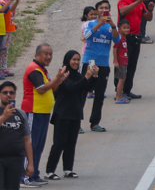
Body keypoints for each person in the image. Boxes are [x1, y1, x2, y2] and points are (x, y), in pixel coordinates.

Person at [43, 51, 93, 180]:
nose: (76, 62)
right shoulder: (63, 75)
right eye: (73, 59)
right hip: (62, 113)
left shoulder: (77, 75)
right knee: (59, 143)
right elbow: (72, 88)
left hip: (75, 113)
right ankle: (49, 171)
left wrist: (94, 76)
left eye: (78, 59)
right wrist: (86, 77)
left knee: (71, 142)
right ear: (67, 60)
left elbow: (86, 87)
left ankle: (68, 169)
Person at [21, 44, 67, 185]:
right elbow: (41, 89)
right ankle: (25, 177)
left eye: (50, 54)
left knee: (39, 145)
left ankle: (34, 174)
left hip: (42, 113)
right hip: (33, 112)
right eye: (45, 54)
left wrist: (58, 80)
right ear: (37, 55)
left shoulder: (42, 70)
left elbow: (51, 89)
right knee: (31, 145)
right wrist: (56, 79)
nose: (48, 57)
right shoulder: (33, 69)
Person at [81, 0, 117, 131]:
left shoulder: (110, 26)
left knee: (100, 95)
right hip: (90, 62)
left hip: (103, 64)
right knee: (82, 92)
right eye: (101, 8)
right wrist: (99, 24)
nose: (103, 10)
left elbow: (117, 40)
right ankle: (77, 123)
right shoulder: (89, 23)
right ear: (96, 11)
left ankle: (95, 123)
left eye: (106, 8)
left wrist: (112, 25)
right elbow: (87, 36)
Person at [116, 0, 152, 100]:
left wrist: (150, 8)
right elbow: (122, 11)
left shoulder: (141, 2)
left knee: (132, 66)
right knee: (122, 66)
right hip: (125, 38)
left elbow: (148, 17)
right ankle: (119, 92)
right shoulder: (124, 0)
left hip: (136, 37)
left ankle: (127, 91)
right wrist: (137, 3)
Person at [0, 80, 35, 190]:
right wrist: (3, 117)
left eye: (12, 92)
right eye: (5, 92)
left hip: (16, 159)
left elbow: (27, 140)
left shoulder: (21, 114)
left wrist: (30, 163)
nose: (8, 95)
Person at [0, 0, 20, 80]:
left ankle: (4, 68)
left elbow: (10, 10)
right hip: (3, 30)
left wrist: (16, 1)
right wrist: (10, 0)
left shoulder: (6, 2)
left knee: (5, 50)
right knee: (1, 50)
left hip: (6, 29)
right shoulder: (2, 2)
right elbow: (2, 10)